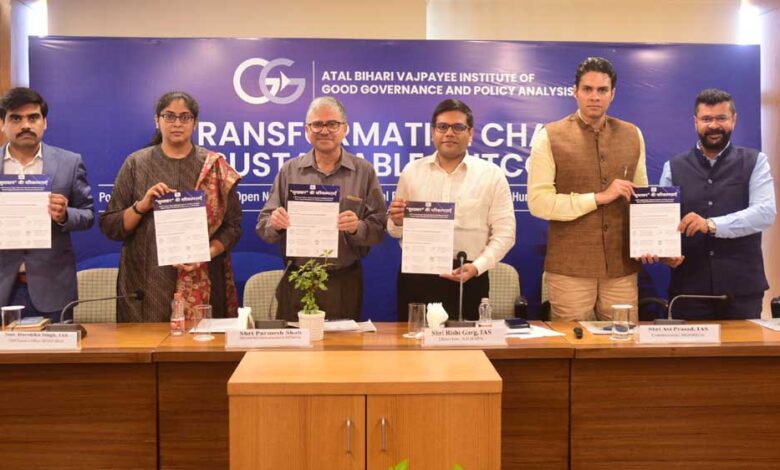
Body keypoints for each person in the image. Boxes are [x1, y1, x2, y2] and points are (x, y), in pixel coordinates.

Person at [99, 91, 242, 322]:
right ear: (157, 120)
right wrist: (141, 206)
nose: (177, 123)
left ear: (194, 123)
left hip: (201, 279)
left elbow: (233, 227)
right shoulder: (136, 163)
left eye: (185, 117)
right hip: (145, 283)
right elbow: (110, 226)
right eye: (169, 116)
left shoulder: (213, 166)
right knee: (145, 341)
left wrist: (205, 253)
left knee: (199, 343)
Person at [528, 57, 648, 322]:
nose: (595, 96)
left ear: (612, 94)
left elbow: (643, 200)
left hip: (621, 267)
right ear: (575, 92)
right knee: (574, 343)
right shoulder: (549, 135)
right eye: (588, 89)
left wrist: (651, 242)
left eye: (602, 90)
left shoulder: (632, 134)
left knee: (623, 341)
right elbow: (538, 202)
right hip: (570, 268)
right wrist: (598, 198)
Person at [645, 89, 776, 319]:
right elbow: (664, 221)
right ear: (695, 122)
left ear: (733, 120)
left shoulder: (756, 161)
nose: (714, 125)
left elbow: (765, 213)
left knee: (744, 345)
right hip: (688, 292)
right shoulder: (673, 167)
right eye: (706, 119)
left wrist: (711, 224)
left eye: (721, 118)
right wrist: (664, 252)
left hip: (741, 291)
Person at [257, 96, 386, 322]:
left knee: (342, 344)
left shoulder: (364, 171)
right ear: (307, 130)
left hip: (343, 281)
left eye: (332, 124)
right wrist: (275, 224)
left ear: (345, 128)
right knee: (294, 343)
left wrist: (357, 227)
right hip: (298, 279)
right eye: (317, 124)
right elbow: (263, 227)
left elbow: (378, 229)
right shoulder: (289, 171)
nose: (324, 130)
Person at [388, 99, 515, 321]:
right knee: (413, 340)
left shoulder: (491, 175)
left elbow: (506, 234)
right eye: (442, 127)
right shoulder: (411, 172)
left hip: (469, 275)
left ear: (470, 133)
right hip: (418, 274)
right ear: (433, 133)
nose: (449, 133)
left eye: (458, 127)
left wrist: (477, 267)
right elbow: (394, 230)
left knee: (467, 342)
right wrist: (398, 221)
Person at [0, 87, 94, 322]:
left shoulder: (69, 162)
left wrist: (64, 215)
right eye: (16, 118)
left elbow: (88, 214)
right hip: (4, 287)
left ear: (45, 123)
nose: (25, 125)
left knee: (55, 348)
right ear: (2, 124)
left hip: (53, 289)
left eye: (33, 117)